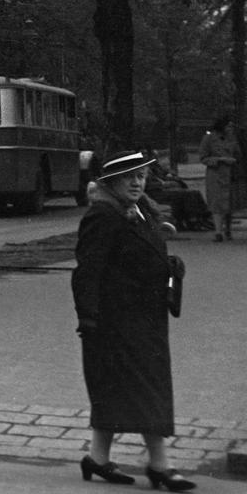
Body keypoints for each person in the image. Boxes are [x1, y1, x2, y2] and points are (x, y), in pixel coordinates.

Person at [71, 151, 195, 491]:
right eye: (130, 178)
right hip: (117, 322)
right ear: (112, 182)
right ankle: (160, 465)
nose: (138, 183)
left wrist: (167, 266)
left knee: (115, 390)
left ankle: (96, 460)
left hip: (144, 318)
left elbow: (135, 254)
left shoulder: (139, 210)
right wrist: (89, 317)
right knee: (147, 390)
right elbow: (87, 271)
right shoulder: (103, 215)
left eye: (141, 176)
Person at [198, 115, 236, 243]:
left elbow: (238, 153)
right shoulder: (209, 138)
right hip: (215, 174)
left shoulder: (233, 138)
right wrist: (219, 160)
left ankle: (228, 229)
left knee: (230, 203)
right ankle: (218, 232)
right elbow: (203, 157)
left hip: (231, 174)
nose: (231, 128)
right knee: (216, 203)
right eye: (228, 126)